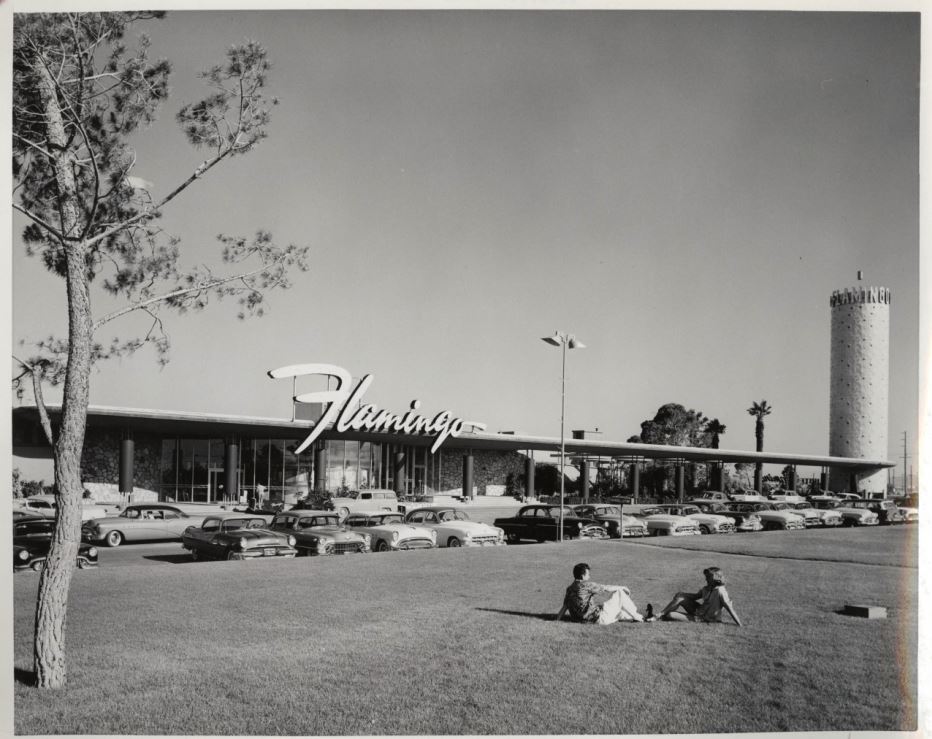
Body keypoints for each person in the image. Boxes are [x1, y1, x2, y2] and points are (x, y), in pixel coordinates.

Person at [647, 566, 742, 626]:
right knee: (680, 597)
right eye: (706, 577)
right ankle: (659, 615)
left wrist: (739, 624)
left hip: (703, 619)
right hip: (698, 611)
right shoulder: (706, 588)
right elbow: (695, 596)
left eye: (708, 577)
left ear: (716, 579)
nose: (706, 579)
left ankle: (659, 616)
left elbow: (730, 608)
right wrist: (681, 594)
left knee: (670, 614)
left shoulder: (721, 591)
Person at [556, 562, 645, 624]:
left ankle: (637, 616)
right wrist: (623, 587)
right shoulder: (587, 585)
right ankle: (637, 616)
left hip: (581, 620)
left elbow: (565, 607)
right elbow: (607, 588)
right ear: (583, 576)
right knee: (620, 593)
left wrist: (557, 620)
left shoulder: (569, 589)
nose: (589, 576)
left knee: (621, 613)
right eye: (588, 574)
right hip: (598, 619)